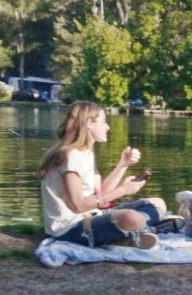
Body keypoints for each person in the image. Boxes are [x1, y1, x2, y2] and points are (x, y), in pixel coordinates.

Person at [38, 101, 173, 249]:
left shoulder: (85, 152)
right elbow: (78, 206)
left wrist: (123, 165)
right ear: (89, 123)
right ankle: (150, 231)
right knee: (132, 218)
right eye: (103, 122)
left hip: (92, 215)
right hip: (70, 228)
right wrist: (123, 190)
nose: (107, 127)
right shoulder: (70, 156)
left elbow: (101, 193)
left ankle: (135, 235)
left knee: (157, 203)